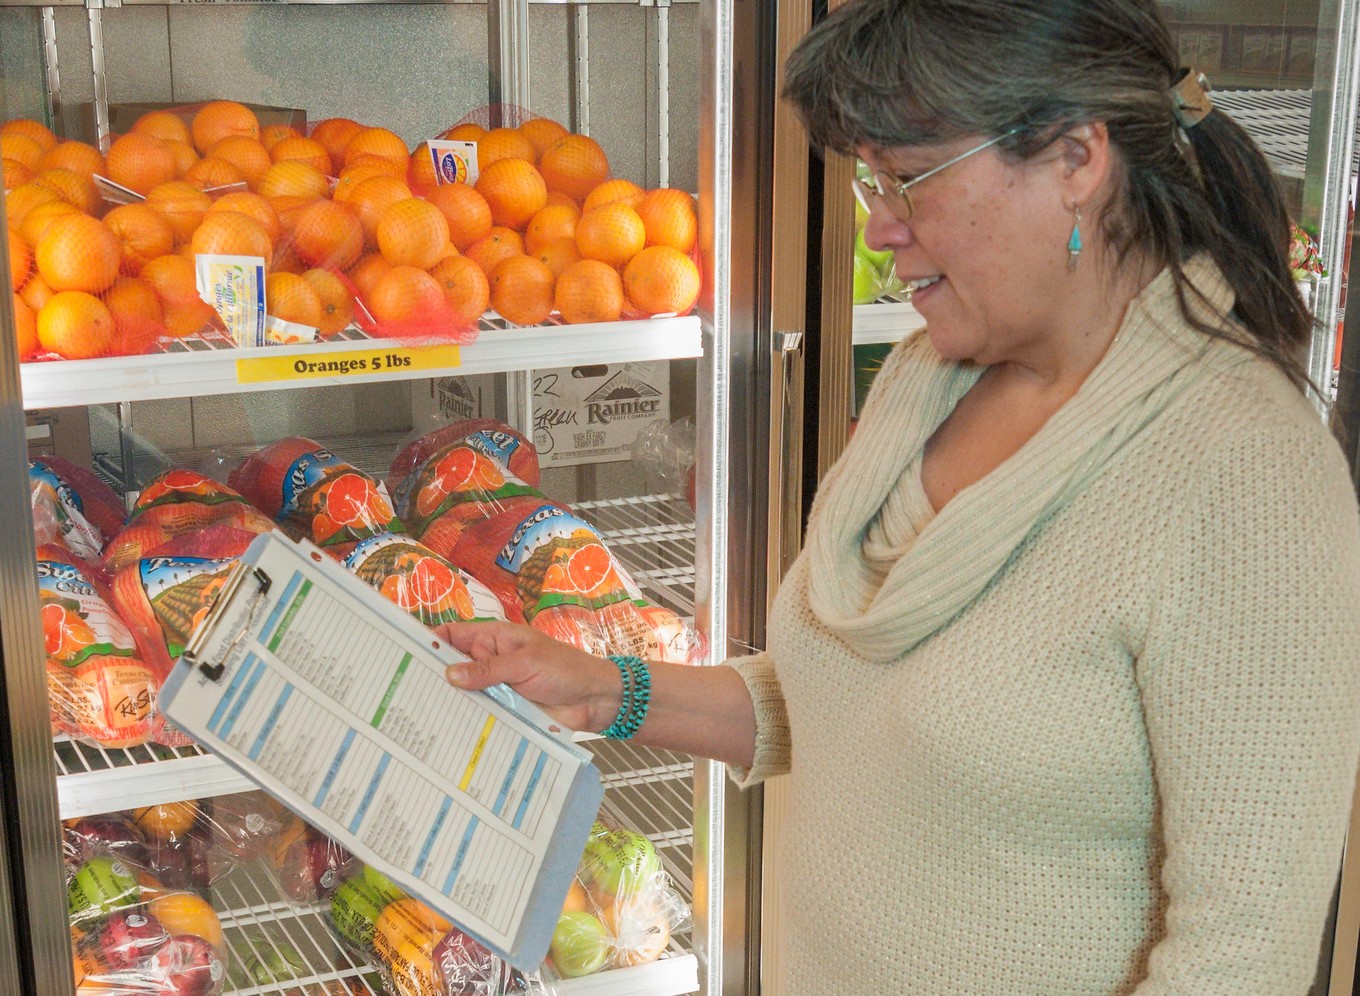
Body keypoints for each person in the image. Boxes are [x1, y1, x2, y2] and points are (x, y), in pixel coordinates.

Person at [441, 0, 1360, 990]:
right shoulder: (928, 379)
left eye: (908, 180)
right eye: (871, 180)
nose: (881, 227)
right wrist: (600, 689)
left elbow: (1244, 949)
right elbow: (859, 711)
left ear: (1074, 161)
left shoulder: (1245, 471)